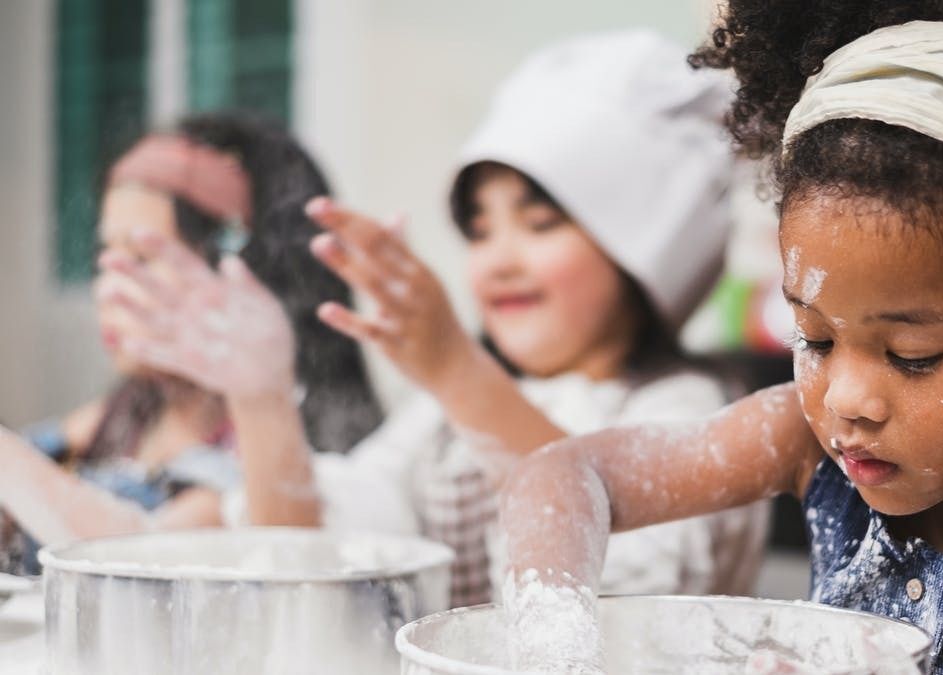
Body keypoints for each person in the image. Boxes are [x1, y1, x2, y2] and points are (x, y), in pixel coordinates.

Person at [496, 3, 943, 673]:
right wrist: (557, 644)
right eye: (815, 339)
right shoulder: (808, 441)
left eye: (911, 356)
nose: (848, 399)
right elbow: (562, 476)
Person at [110, 30, 770, 607]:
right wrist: (259, 397)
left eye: (540, 223)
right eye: (479, 231)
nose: (498, 261)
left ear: (643, 247)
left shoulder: (690, 412)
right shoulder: (437, 421)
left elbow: (627, 602)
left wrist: (456, 369)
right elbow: (317, 550)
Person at [0, 113, 382, 572]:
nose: (110, 290)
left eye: (142, 257)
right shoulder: (127, 413)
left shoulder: (273, 454)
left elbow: (143, 564)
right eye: (107, 258)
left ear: (242, 274)